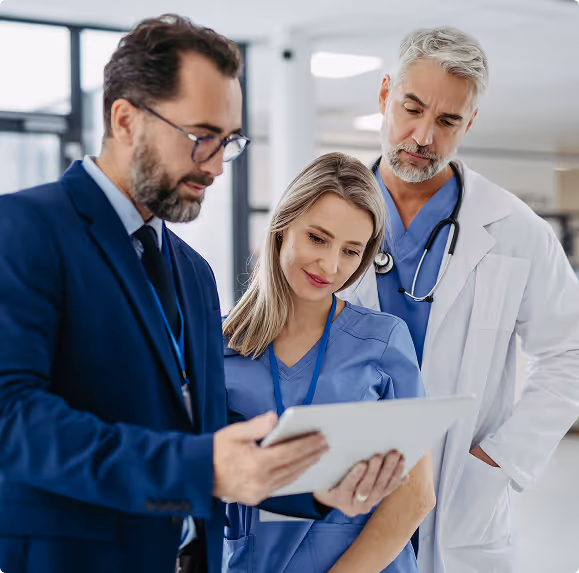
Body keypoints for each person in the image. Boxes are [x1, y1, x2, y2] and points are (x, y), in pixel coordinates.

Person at [0, 15, 406, 573]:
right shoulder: (24, 229)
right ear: (125, 120)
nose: (216, 165)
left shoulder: (193, 271)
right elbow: (12, 418)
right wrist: (198, 468)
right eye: (201, 137)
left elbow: (204, 435)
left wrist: (310, 491)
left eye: (229, 142)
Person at [340, 27, 579, 573]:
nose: (423, 135)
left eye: (448, 121)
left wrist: (501, 457)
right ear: (384, 96)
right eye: (412, 107)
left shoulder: (514, 228)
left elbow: (571, 350)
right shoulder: (325, 212)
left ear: (469, 123)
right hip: (345, 481)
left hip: (460, 497)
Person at [222, 152, 436, 573]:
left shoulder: (382, 340)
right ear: (283, 227)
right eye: (317, 238)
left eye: (352, 251)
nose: (331, 265)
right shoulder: (217, 344)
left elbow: (416, 495)